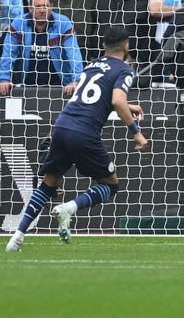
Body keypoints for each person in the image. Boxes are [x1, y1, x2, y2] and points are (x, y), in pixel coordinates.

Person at [5, 26, 148, 252]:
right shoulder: (125, 70)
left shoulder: (91, 66)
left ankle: (17, 238)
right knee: (110, 185)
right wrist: (136, 131)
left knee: (48, 184)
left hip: (62, 126)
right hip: (84, 132)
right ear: (126, 46)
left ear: (103, 46)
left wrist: (128, 106)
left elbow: (91, 97)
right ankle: (69, 208)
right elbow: (117, 101)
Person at [0, 0, 83, 96]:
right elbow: (8, 54)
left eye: (46, 6)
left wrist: (77, 80)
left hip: (59, 87)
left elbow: (74, 54)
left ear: (51, 7)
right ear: (30, 8)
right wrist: (4, 78)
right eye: (38, 7)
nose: (42, 10)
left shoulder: (63, 23)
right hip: (26, 86)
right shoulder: (18, 24)